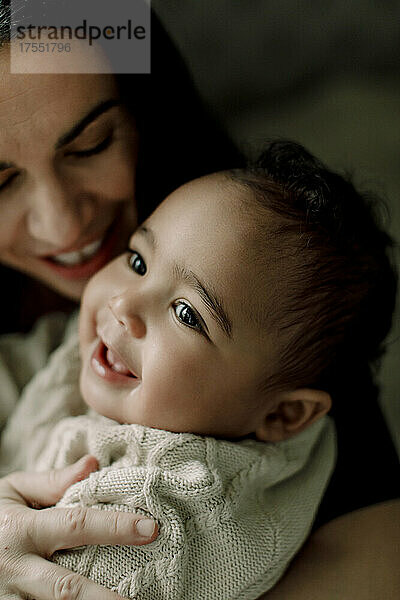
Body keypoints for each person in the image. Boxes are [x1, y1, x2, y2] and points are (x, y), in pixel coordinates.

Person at [0, 2, 398, 598]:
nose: (63, 226)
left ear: (150, 109)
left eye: (92, 144)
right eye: (0, 183)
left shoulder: (266, 267)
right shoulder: (70, 347)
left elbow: (375, 553)